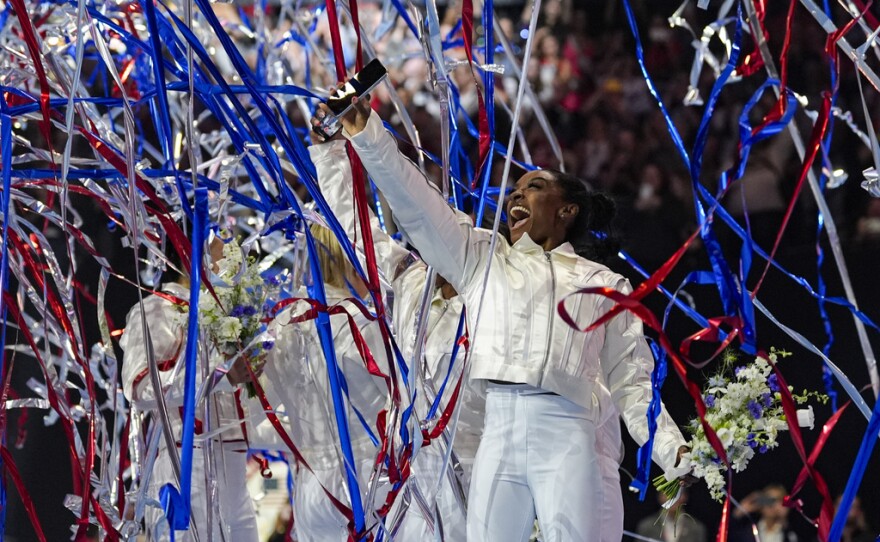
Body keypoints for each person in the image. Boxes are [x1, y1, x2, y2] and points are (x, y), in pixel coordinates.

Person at [323, 91, 692, 541]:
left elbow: (632, 379)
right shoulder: (482, 259)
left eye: (533, 187)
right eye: (515, 190)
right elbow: (417, 203)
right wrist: (367, 133)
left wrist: (673, 449)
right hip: (497, 428)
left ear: (566, 210)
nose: (517, 195)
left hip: (566, 431)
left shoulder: (604, 284)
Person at [119, 237, 260, 541]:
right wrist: (220, 375)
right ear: (192, 250)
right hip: (186, 465)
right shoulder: (158, 309)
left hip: (235, 468)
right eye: (220, 239)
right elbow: (140, 386)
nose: (232, 249)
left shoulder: (229, 314)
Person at [258, 224, 389, 542]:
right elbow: (398, 398)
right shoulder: (356, 318)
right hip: (365, 481)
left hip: (311, 489)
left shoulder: (280, 324)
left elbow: (259, 408)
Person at [729, 484, 800, 542]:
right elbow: (727, 534)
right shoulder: (747, 531)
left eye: (776, 500)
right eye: (768, 500)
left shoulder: (789, 533)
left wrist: (785, 517)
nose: (771, 505)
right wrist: (739, 511)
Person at [636, 487, 708, 542]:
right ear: (660, 496)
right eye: (668, 494)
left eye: (677, 494)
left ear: (685, 496)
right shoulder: (646, 527)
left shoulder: (696, 528)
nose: (673, 499)